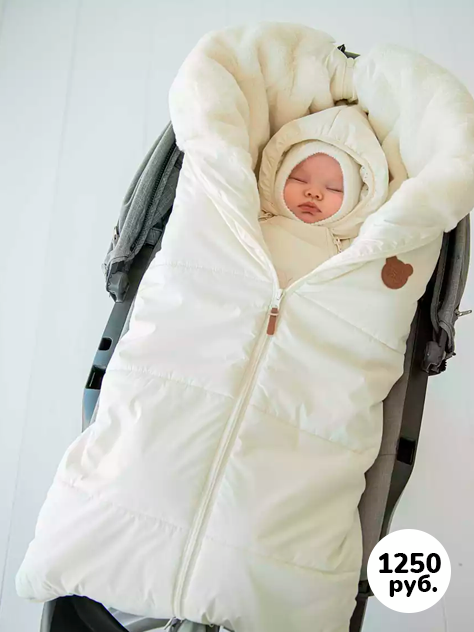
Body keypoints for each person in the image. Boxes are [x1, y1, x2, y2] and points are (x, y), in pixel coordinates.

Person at [258, 136, 365, 289]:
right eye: (300, 179)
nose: (313, 193)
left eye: (333, 188)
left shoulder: (353, 250)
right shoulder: (253, 222)